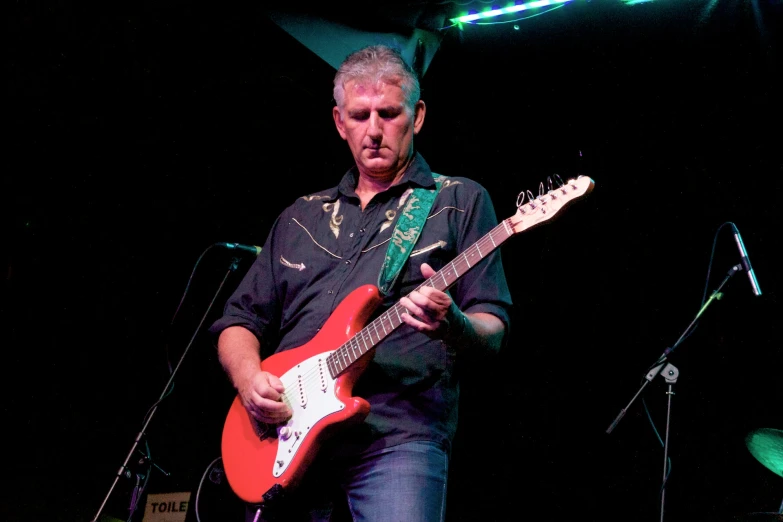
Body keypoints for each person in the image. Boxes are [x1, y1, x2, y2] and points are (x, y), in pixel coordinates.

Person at [209, 44, 513, 522]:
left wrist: (453, 323)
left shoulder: (458, 201)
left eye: (389, 113)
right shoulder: (301, 216)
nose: (374, 130)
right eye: (360, 114)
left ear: (418, 116)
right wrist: (250, 381)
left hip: (399, 437)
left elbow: (491, 327)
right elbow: (238, 322)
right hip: (288, 438)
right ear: (339, 121)